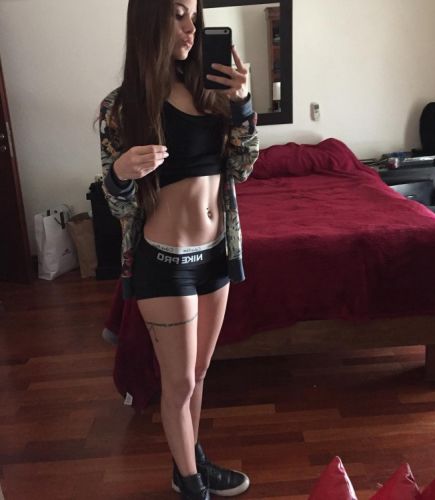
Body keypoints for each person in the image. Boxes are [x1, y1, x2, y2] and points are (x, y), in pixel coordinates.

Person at [98, 0, 259, 498]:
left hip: (215, 253)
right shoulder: (122, 108)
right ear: (150, 19)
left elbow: (242, 168)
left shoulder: (209, 90)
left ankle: (190, 462)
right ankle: (192, 486)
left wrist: (243, 105)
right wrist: (119, 174)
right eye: (178, 15)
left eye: (193, 14)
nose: (191, 27)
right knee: (180, 383)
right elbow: (118, 205)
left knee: (200, 373)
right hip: (165, 260)